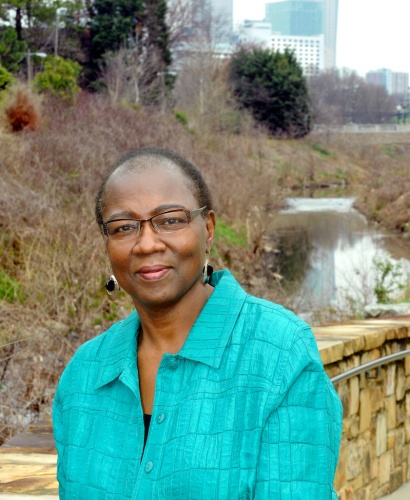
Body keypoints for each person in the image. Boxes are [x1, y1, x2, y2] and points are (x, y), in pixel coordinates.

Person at [52, 147, 342, 499]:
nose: (146, 244)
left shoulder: (280, 354)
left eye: (170, 220)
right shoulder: (85, 374)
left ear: (208, 228)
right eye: (124, 227)